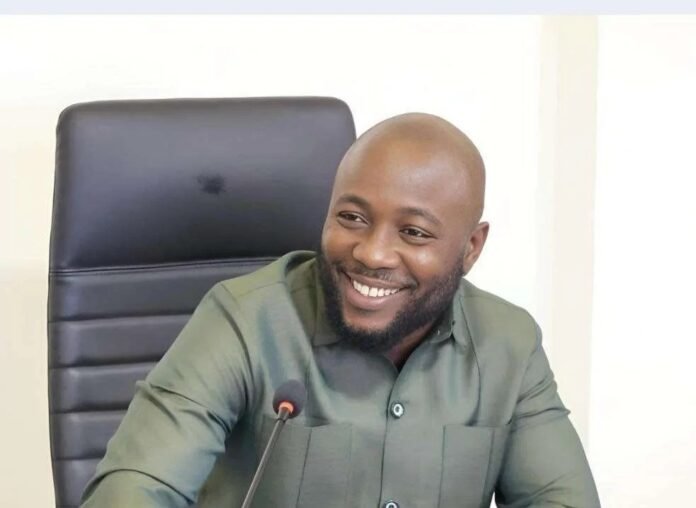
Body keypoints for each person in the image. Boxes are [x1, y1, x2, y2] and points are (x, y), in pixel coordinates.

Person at [81, 113, 600, 507]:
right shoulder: (244, 321)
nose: (372, 253)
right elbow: (131, 491)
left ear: (471, 248)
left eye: (413, 232)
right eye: (352, 217)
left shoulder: (509, 344)